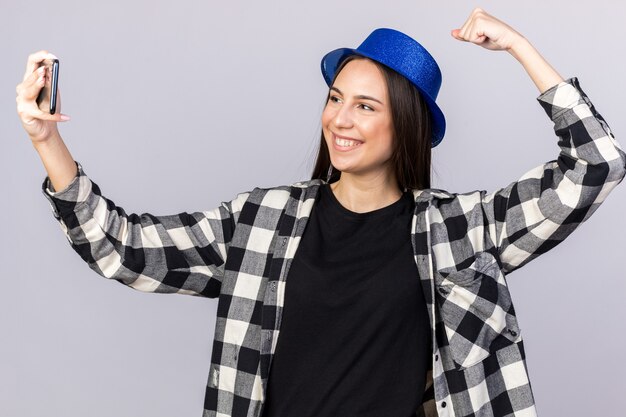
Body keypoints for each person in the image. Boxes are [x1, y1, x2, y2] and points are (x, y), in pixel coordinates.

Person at [16, 7, 626, 417]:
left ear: (404, 125)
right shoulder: (262, 221)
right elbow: (123, 249)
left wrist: (521, 47)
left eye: (365, 106)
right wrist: (48, 142)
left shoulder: (459, 230)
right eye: (336, 98)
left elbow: (597, 165)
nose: (340, 118)